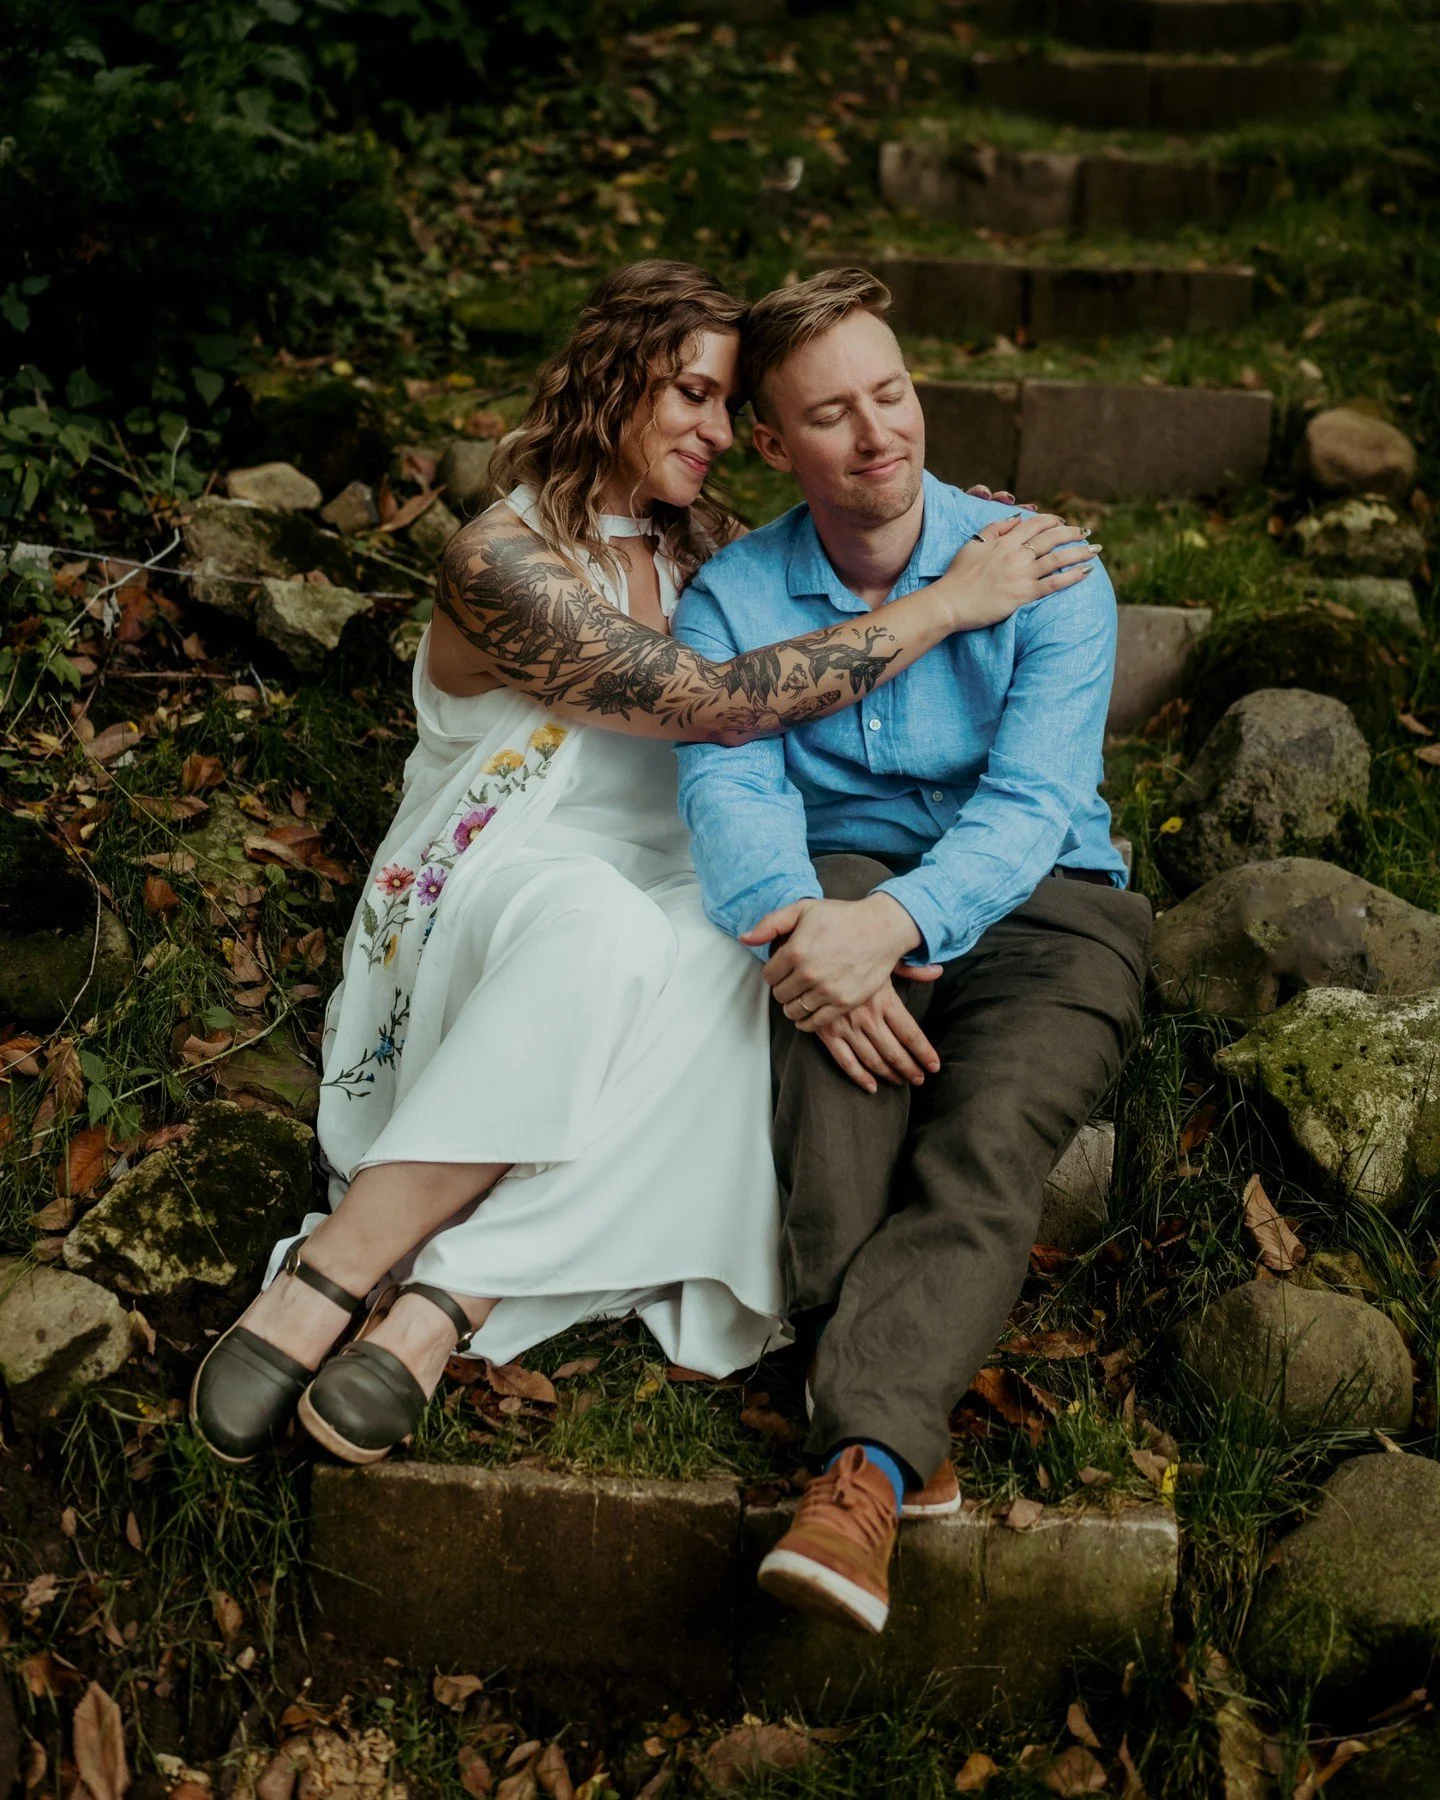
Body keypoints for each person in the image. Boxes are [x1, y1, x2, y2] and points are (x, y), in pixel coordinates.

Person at [189, 260, 1099, 1468]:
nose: (718, 433)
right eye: (691, 395)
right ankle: (333, 1270)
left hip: (682, 876)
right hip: (508, 870)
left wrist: (939, 523)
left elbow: (842, 531)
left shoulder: (710, 547)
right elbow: (720, 702)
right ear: (610, 385)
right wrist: (947, 603)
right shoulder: (502, 561)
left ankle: (446, 1298)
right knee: (603, 931)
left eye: (732, 407)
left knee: (749, 975)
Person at [673, 267, 1151, 1636]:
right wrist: (803, 922)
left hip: (1051, 899)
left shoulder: (1048, 565)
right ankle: (884, 1467)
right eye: (831, 414)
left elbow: (1032, 805)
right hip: (837, 885)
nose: (879, 434)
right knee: (835, 1088)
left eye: (893, 394)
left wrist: (888, 928)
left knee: (989, 1131)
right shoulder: (732, 599)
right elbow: (731, 781)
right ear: (770, 444)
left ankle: (856, 1454)